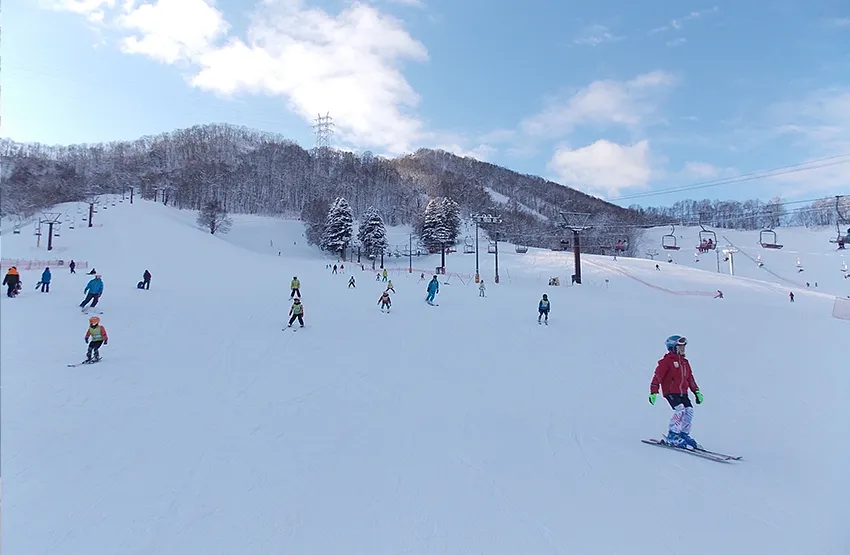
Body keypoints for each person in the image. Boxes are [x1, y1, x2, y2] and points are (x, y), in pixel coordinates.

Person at [649, 335, 704, 449]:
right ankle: (672, 435)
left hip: (683, 392)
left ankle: (683, 434)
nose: (683, 350)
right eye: (680, 347)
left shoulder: (685, 362)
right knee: (680, 409)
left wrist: (696, 392)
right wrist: (654, 391)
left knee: (689, 410)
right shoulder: (666, 361)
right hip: (671, 391)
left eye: (683, 347)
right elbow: (658, 376)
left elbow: (690, 378)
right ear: (673, 348)